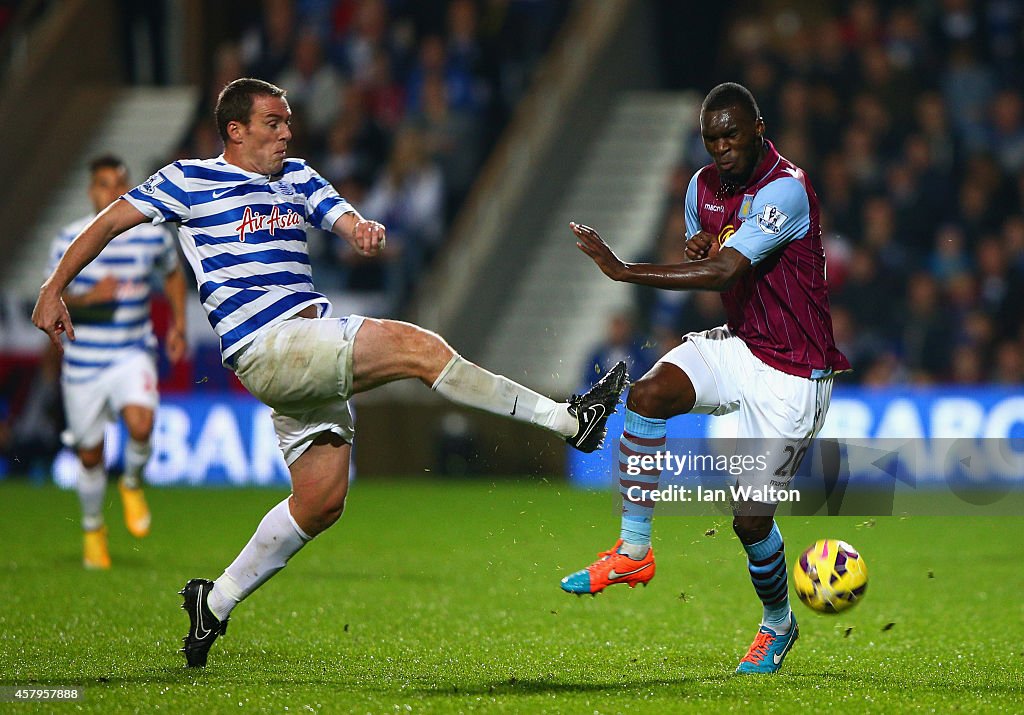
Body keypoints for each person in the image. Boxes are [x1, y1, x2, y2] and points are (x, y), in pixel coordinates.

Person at [32, 78, 627, 667]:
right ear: (235, 131)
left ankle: (212, 603)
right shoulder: (189, 179)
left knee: (320, 502)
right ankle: (569, 419)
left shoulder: (298, 177)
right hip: (267, 344)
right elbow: (111, 220)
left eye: (288, 121)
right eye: (274, 122)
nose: (287, 132)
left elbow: (342, 217)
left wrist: (361, 231)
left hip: (305, 345)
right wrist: (54, 287)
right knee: (418, 349)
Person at [561, 82, 850, 675]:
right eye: (711, 138)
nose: (720, 147)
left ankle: (777, 623)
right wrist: (699, 245)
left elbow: (721, 271)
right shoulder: (700, 188)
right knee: (647, 395)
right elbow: (709, 253)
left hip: (795, 373)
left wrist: (623, 270)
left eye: (732, 135)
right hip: (743, 346)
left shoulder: (785, 190)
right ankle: (634, 549)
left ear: (759, 129)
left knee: (750, 522)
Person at [48, 155, 187, 569]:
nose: (113, 191)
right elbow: (50, 299)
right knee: (90, 456)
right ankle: (93, 529)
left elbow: (173, 273)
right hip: (84, 362)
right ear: (91, 191)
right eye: (105, 184)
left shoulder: (150, 235)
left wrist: (178, 324)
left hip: (132, 351)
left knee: (142, 424)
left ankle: (130, 482)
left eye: (120, 183)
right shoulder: (68, 238)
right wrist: (90, 298)